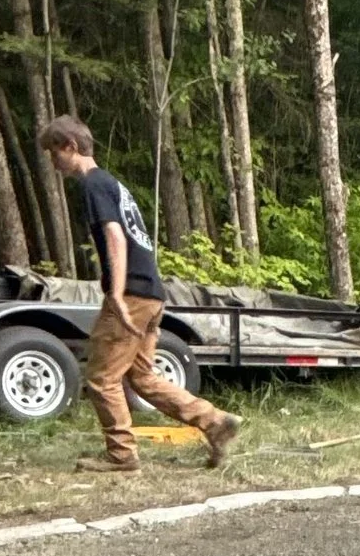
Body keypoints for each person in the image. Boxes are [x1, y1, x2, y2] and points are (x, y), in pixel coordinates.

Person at [40, 116, 241, 475]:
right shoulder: (112, 184)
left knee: (101, 378)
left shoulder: (92, 184)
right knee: (143, 377)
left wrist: (116, 293)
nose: (53, 161)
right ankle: (214, 423)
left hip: (131, 294)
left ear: (70, 146)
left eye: (54, 152)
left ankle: (121, 455)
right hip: (151, 292)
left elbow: (116, 237)